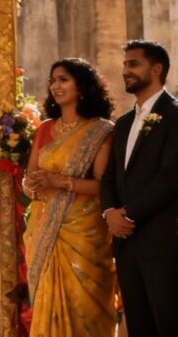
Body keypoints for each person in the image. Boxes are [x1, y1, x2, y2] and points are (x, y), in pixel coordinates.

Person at [100, 40, 178, 336]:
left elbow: (172, 176)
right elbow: (109, 176)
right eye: (125, 64)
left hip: (161, 240)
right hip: (126, 243)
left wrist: (128, 213)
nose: (125, 70)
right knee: (138, 326)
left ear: (157, 69)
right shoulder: (125, 122)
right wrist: (108, 213)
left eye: (133, 64)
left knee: (169, 323)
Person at [22, 58, 116, 336]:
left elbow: (103, 186)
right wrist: (34, 185)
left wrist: (58, 181)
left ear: (82, 86)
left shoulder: (100, 130)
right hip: (43, 227)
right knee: (45, 302)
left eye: (63, 79)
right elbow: (29, 179)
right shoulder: (43, 129)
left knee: (84, 308)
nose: (55, 86)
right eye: (53, 80)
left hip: (84, 233)